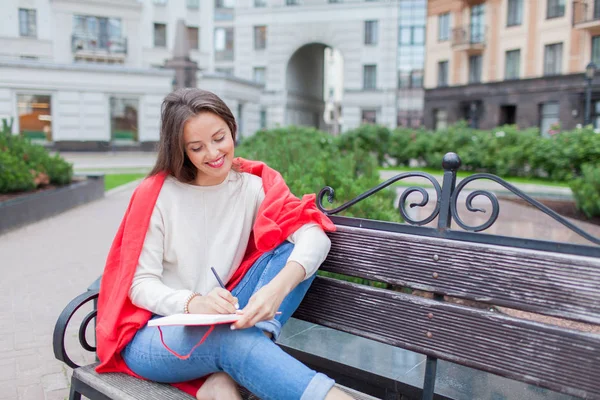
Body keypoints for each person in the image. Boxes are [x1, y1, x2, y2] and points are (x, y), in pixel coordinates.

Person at [94, 88, 355, 400]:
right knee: (231, 340)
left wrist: (277, 288)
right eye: (197, 147)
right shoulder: (158, 194)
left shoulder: (253, 186)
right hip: (155, 332)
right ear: (181, 150)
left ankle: (219, 378)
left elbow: (314, 234)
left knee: (290, 252)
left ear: (232, 128)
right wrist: (193, 303)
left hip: (223, 316)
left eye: (219, 138)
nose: (213, 153)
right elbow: (139, 284)